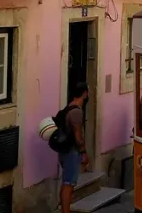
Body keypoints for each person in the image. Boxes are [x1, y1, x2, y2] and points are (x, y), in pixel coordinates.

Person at [58, 82, 90, 213]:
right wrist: (84, 152)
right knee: (68, 184)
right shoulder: (76, 111)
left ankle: (67, 209)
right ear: (84, 93)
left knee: (68, 182)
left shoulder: (68, 107)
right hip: (71, 151)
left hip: (65, 151)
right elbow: (78, 136)